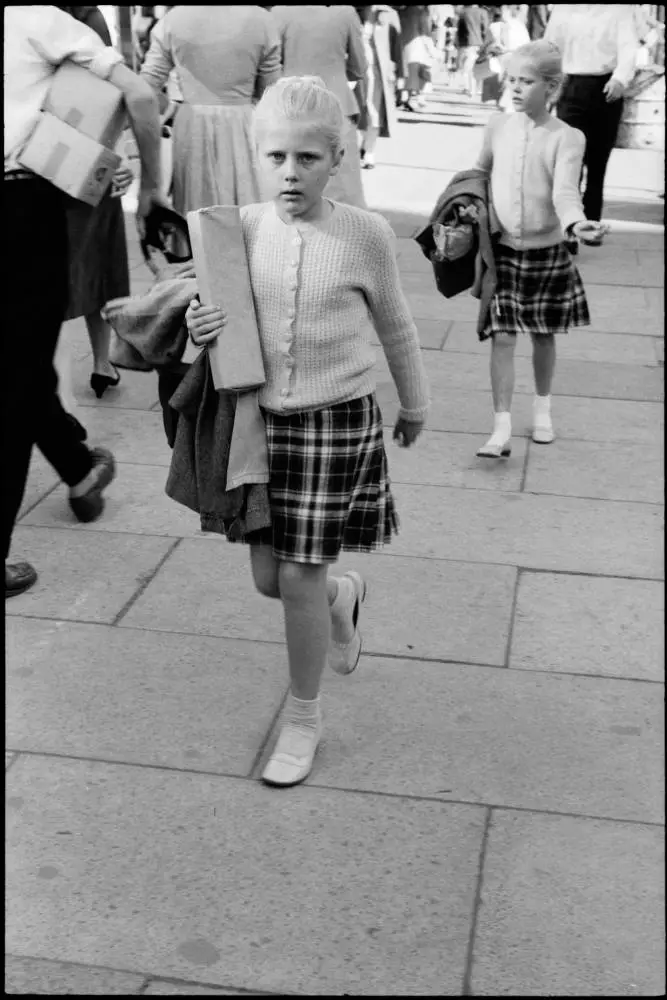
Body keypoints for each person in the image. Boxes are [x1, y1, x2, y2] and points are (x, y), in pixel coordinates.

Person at [185, 76, 429, 787]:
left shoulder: (365, 234)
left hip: (335, 421)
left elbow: (397, 327)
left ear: (338, 157)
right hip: (259, 425)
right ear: (255, 156)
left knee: (295, 575)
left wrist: (413, 405)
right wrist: (203, 327)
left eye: (307, 159)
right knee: (271, 579)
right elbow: (217, 322)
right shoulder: (238, 230)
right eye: (275, 157)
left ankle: (302, 716)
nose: (290, 173)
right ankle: (341, 598)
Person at [4, 4, 166, 598]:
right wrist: (151, 187)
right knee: (17, 379)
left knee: (18, 367)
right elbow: (142, 98)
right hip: (21, 209)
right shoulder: (38, 19)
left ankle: (77, 469)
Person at [472, 40, 606, 460]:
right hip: (504, 253)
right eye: (511, 79)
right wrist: (465, 208)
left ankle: (543, 409)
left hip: (547, 253)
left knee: (544, 337)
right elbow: (479, 173)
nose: (514, 88)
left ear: (551, 87)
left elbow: (566, 193)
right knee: (503, 338)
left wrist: (577, 223)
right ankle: (500, 428)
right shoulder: (497, 126)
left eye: (525, 81)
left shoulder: (567, 137)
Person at [56, 5, 133, 399]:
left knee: (51, 266)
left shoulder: (24, 22)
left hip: (41, 157)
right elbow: (111, 93)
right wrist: (122, 158)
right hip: (89, 157)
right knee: (95, 261)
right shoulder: (88, 15)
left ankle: (53, 374)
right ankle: (102, 363)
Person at [140, 6, 281, 217]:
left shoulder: (174, 19)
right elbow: (271, 91)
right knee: (249, 202)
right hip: (245, 122)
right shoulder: (262, 20)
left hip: (192, 124)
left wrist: (170, 109)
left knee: (197, 209)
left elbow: (146, 86)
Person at [545, 4, 641, 226]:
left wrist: (620, 79)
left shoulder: (620, 10)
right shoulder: (562, 10)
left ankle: (592, 221)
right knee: (570, 160)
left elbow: (628, 48)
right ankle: (569, 222)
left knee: (598, 161)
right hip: (571, 86)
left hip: (606, 87)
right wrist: (550, 85)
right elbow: (550, 47)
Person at [271, 6, 368, 208]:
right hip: (337, 101)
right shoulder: (346, 13)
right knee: (343, 185)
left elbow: (271, 64)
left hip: (292, 103)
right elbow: (359, 68)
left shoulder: (280, 12)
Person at [355, 5, 404, 168]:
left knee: (375, 113)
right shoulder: (351, 14)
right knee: (356, 113)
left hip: (378, 76)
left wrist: (401, 76)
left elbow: (397, 47)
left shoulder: (389, 16)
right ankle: (362, 145)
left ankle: (369, 152)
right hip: (355, 74)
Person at [398, 4, 436, 111]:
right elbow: (425, 34)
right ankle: (419, 99)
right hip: (418, 48)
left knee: (408, 74)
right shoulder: (421, 13)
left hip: (403, 47)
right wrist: (433, 51)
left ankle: (405, 98)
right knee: (423, 75)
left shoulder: (402, 12)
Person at [457, 3, 490, 98]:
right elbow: (485, 29)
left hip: (465, 43)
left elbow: (460, 29)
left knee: (467, 67)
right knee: (475, 67)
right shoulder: (482, 12)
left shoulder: (463, 12)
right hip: (478, 42)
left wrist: (459, 43)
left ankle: (468, 88)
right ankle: (474, 89)